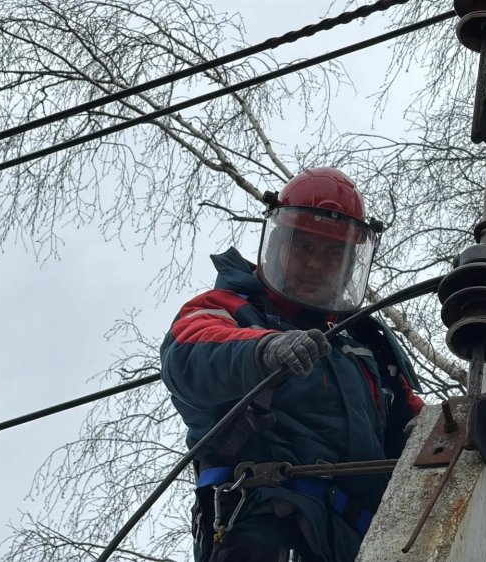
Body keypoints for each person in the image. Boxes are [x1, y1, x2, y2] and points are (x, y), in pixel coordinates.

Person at [160, 167, 425, 562]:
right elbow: (187, 353)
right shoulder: (232, 309)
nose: (317, 264)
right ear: (276, 246)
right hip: (266, 529)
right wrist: (265, 350)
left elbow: (422, 427)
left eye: (333, 253)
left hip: (363, 545)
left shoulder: (368, 347)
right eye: (305, 246)